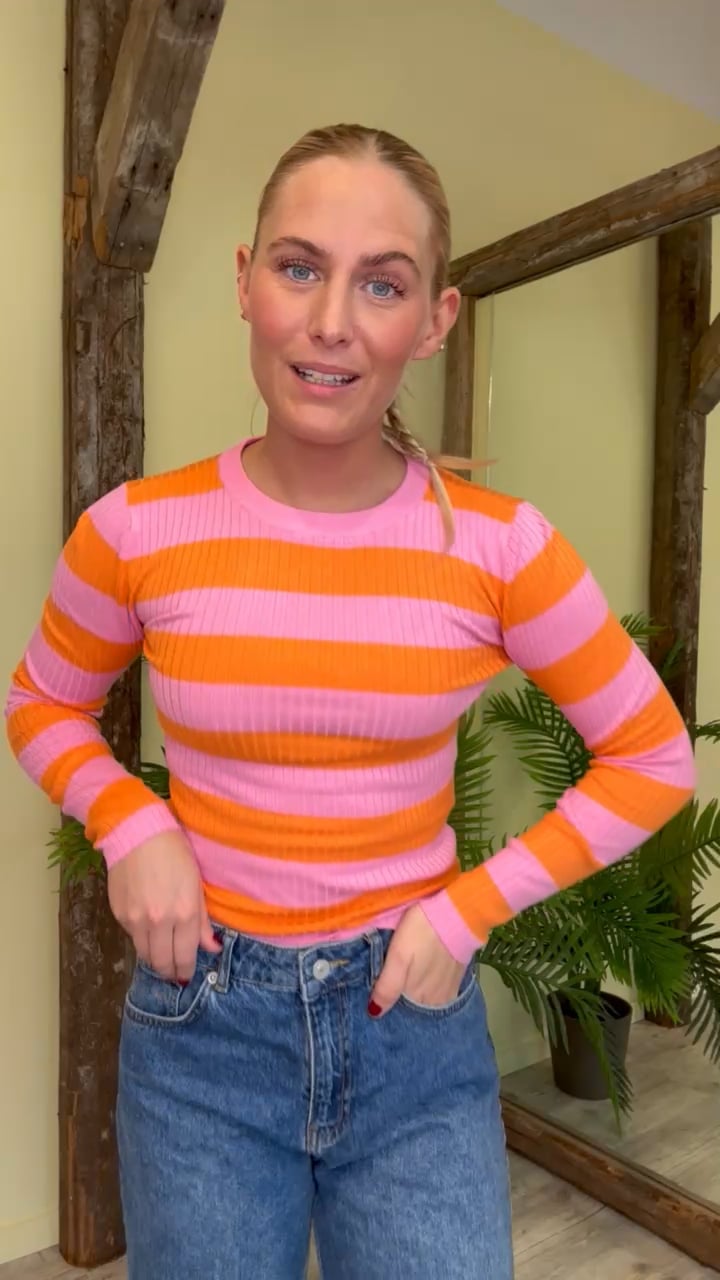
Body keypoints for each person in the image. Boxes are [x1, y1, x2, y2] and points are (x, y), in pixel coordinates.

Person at [5, 123, 695, 1280]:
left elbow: (654, 754)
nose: (331, 320)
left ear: (434, 319)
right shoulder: (134, 529)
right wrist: (130, 819)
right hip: (201, 1035)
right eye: (298, 266)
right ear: (245, 281)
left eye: (382, 283)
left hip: (410, 1028)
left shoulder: (501, 547)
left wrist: (467, 912)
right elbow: (41, 701)